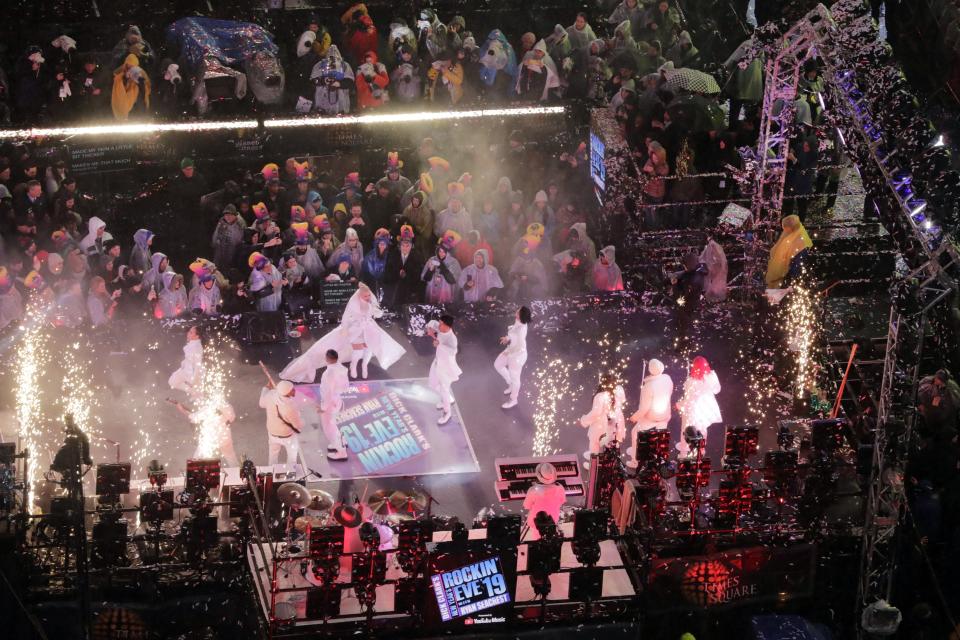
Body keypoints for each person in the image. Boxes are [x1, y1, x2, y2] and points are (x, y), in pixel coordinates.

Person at [281, 282, 407, 382]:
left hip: (369, 329)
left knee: (369, 349)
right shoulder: (354, 304)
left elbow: (377, 314)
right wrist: (346, 329)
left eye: (369, 295)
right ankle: (354, 366)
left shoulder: (370, 304)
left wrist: (377, 311)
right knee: (357, 351)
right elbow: (346, 318)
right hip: (356, 330)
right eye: (365, 296)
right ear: (359, 296)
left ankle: (364, 366)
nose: (368, 297)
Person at [626, 359, 673, 468]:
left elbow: (644, 409)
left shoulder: (648, 386)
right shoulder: (668, 379)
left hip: (651, 417)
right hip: (665, 415)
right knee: (660, 437)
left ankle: (635, 462)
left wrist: (634, 417)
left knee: (635, 433)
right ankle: (659, 459)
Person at [171, 399, 240, 468]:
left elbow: (192, 416)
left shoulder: (207, 409)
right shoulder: (227, 406)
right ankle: (238, 472)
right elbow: (232, 418)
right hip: (225, 437)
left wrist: (179, 405)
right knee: (231, 457)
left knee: (197, 458)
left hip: (211, 439)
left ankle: (194, 474)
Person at [676, 356, 722, 456]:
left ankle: (684, 453)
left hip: (693, 410)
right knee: (702, 429)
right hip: (705, 410)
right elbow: (717, 390)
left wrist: (678, 405)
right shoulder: (710, 377)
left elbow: (688, 400)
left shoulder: (691, 381)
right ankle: (701, 451)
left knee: (687, 430)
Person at [579, 375, 627, 467]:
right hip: (616, 421)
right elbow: (623, 400)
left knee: (594, 442)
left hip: (603, 424)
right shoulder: (619, 390)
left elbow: (596, 413)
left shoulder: (600, 396)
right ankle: (614, 460)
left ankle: (593, 464)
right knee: (613, 441)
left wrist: (583, 420)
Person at [260, 379, 304, 466]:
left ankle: (271, 473)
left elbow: (261, 403)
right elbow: (298, 425)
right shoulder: (290, 407)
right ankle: (290, 473)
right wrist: (302, 419)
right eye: (292, 390)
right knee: (292, 456)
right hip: (287, 437)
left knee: (273, 455)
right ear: (287, 393)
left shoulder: (270, 395)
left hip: (272, 434)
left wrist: (266, 388)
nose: (294, 390)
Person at [427, 315, 462, 425]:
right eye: (440, 322)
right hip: (437, 362)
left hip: (446, 368)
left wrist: (438, 343)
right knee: (433, 384)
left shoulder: (452, 339)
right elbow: (431, 322)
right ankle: (447, 398)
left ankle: (447, 413)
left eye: (441, 323)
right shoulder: (440, 327)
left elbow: (453, 352)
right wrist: (430, 330)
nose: (439, 324)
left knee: (444, 389)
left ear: (447, 326)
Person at [495, 306, 531, 409]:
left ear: (521, 315)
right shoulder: (517, 321)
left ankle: (513, 399)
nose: (516, 311)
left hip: (517, 356)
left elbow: (520, 346)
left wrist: (509, 351)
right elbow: (513, 334)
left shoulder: (522, 329)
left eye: (518, 311)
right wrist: (507, 338)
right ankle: (509, 383)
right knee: (498, 364)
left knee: (516, 379)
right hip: (511, 350)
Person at [318, 349, 351, 460]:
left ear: (327, 358)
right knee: (333, 423)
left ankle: (342, 452)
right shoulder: (341, 368)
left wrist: (323, 407)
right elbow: (345, 386)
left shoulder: (328, 373)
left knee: (328, 428)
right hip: (337, 400)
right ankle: (341, 442)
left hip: (330, 403)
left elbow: (328, 392)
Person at [765, 214, 812, 288]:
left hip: (795, 263)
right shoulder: (792, 233)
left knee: (794, 273)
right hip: (792, 263)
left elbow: (797, 262)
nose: (784, 230)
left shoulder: (800, 241)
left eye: (786, 228)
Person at [522, 462, 566, 541]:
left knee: (538, 540)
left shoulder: (532, 490)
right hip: (552, 519)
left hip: (537, 522)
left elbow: (526, 506)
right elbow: (562, 501)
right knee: (548, 538)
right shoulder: (560, 488)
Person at [383, 225, 423, 306]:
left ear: (412, 246)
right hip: (394, 291)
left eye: (407, 245)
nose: (405, 248)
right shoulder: (393, 254)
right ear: (399, 245)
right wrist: (397, 273)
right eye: (403, 245)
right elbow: (387, 273)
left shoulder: (417, 257)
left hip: (409, 292)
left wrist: (406, 275)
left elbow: (418, 276)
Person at [168, 325, 203, 400]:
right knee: (172, 381)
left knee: (173, 381)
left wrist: (194, 380)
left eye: (191, 332)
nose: (188, 333)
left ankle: (196, 393)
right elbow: (189, 358)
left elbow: (198, 365)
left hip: (191, 373)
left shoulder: (197, 348)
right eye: (189, 331)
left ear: (197, 336)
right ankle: (194, 392)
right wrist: (183, 363)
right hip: (185, 370)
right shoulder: (192, 344)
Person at [422, 237, 461, 304]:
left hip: (445, 293)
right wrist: (430, 270)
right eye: (440, 251)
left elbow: (452, 280)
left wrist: (442, 267)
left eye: (444, 252)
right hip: (432, 292)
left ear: (448, 252)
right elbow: (425, 278)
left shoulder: (453, 262)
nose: (441, 254)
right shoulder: (432, 259)